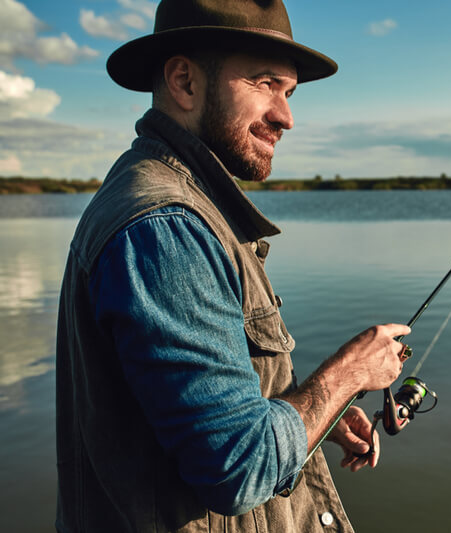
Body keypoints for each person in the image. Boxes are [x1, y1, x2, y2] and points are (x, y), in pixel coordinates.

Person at [55, 1, 410, 531]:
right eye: (265, 83)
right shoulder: (165, 226)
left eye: (289, 93)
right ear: (184, 81)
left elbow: (200, 413)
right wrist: (347, 376)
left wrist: (314, 420)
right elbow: (237, 470)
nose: (286, 117)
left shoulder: (181, 203)